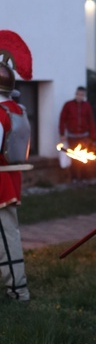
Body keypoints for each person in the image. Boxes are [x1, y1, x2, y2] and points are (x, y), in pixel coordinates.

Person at [0, 30, 32, 302]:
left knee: (7, 237)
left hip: (1, 181)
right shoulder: (17, 109)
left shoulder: (1, 113)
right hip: (10, 178)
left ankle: (18, 289)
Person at [59, 86, 96, 182]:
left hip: (84, 137)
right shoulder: (68, 105)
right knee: (73, 157)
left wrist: (93, 136)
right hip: (72, 137)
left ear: (84, 96)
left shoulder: (87, 106)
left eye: (82, 95)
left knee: (83, 157)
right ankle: (74, 177)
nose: (79, 96)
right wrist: (62, 133)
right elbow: (62, 120)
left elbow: (91, 121)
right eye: (78, 94)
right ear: (75, 94)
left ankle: (84, 177)